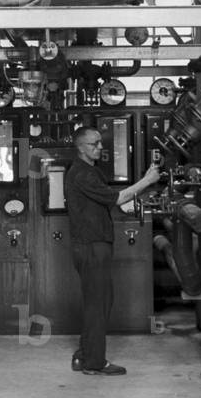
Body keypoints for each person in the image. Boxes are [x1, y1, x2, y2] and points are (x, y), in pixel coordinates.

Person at [64, 127, 161, 376]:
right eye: (94, 144)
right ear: (80, 147)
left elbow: (109, 199)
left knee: (96, 302)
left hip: (92, 244)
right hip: (92, 246)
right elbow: (116, 199)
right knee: (99, 303)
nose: (99, 147)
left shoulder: (89, 172)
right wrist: (147, 181)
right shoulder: (82, 174)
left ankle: (84, 355)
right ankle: (94, 363)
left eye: (99, 143)